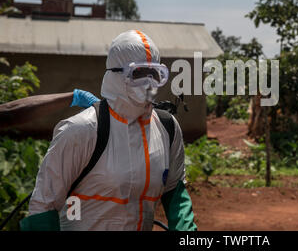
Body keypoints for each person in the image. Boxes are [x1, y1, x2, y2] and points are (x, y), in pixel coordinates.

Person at [20, 29, 197, 231]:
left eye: (154, 73)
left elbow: (175, 192)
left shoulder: (168, 128)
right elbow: (43, 207)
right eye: (139, 73)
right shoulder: (81, 130)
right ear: (116, 75)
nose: (148, 83)